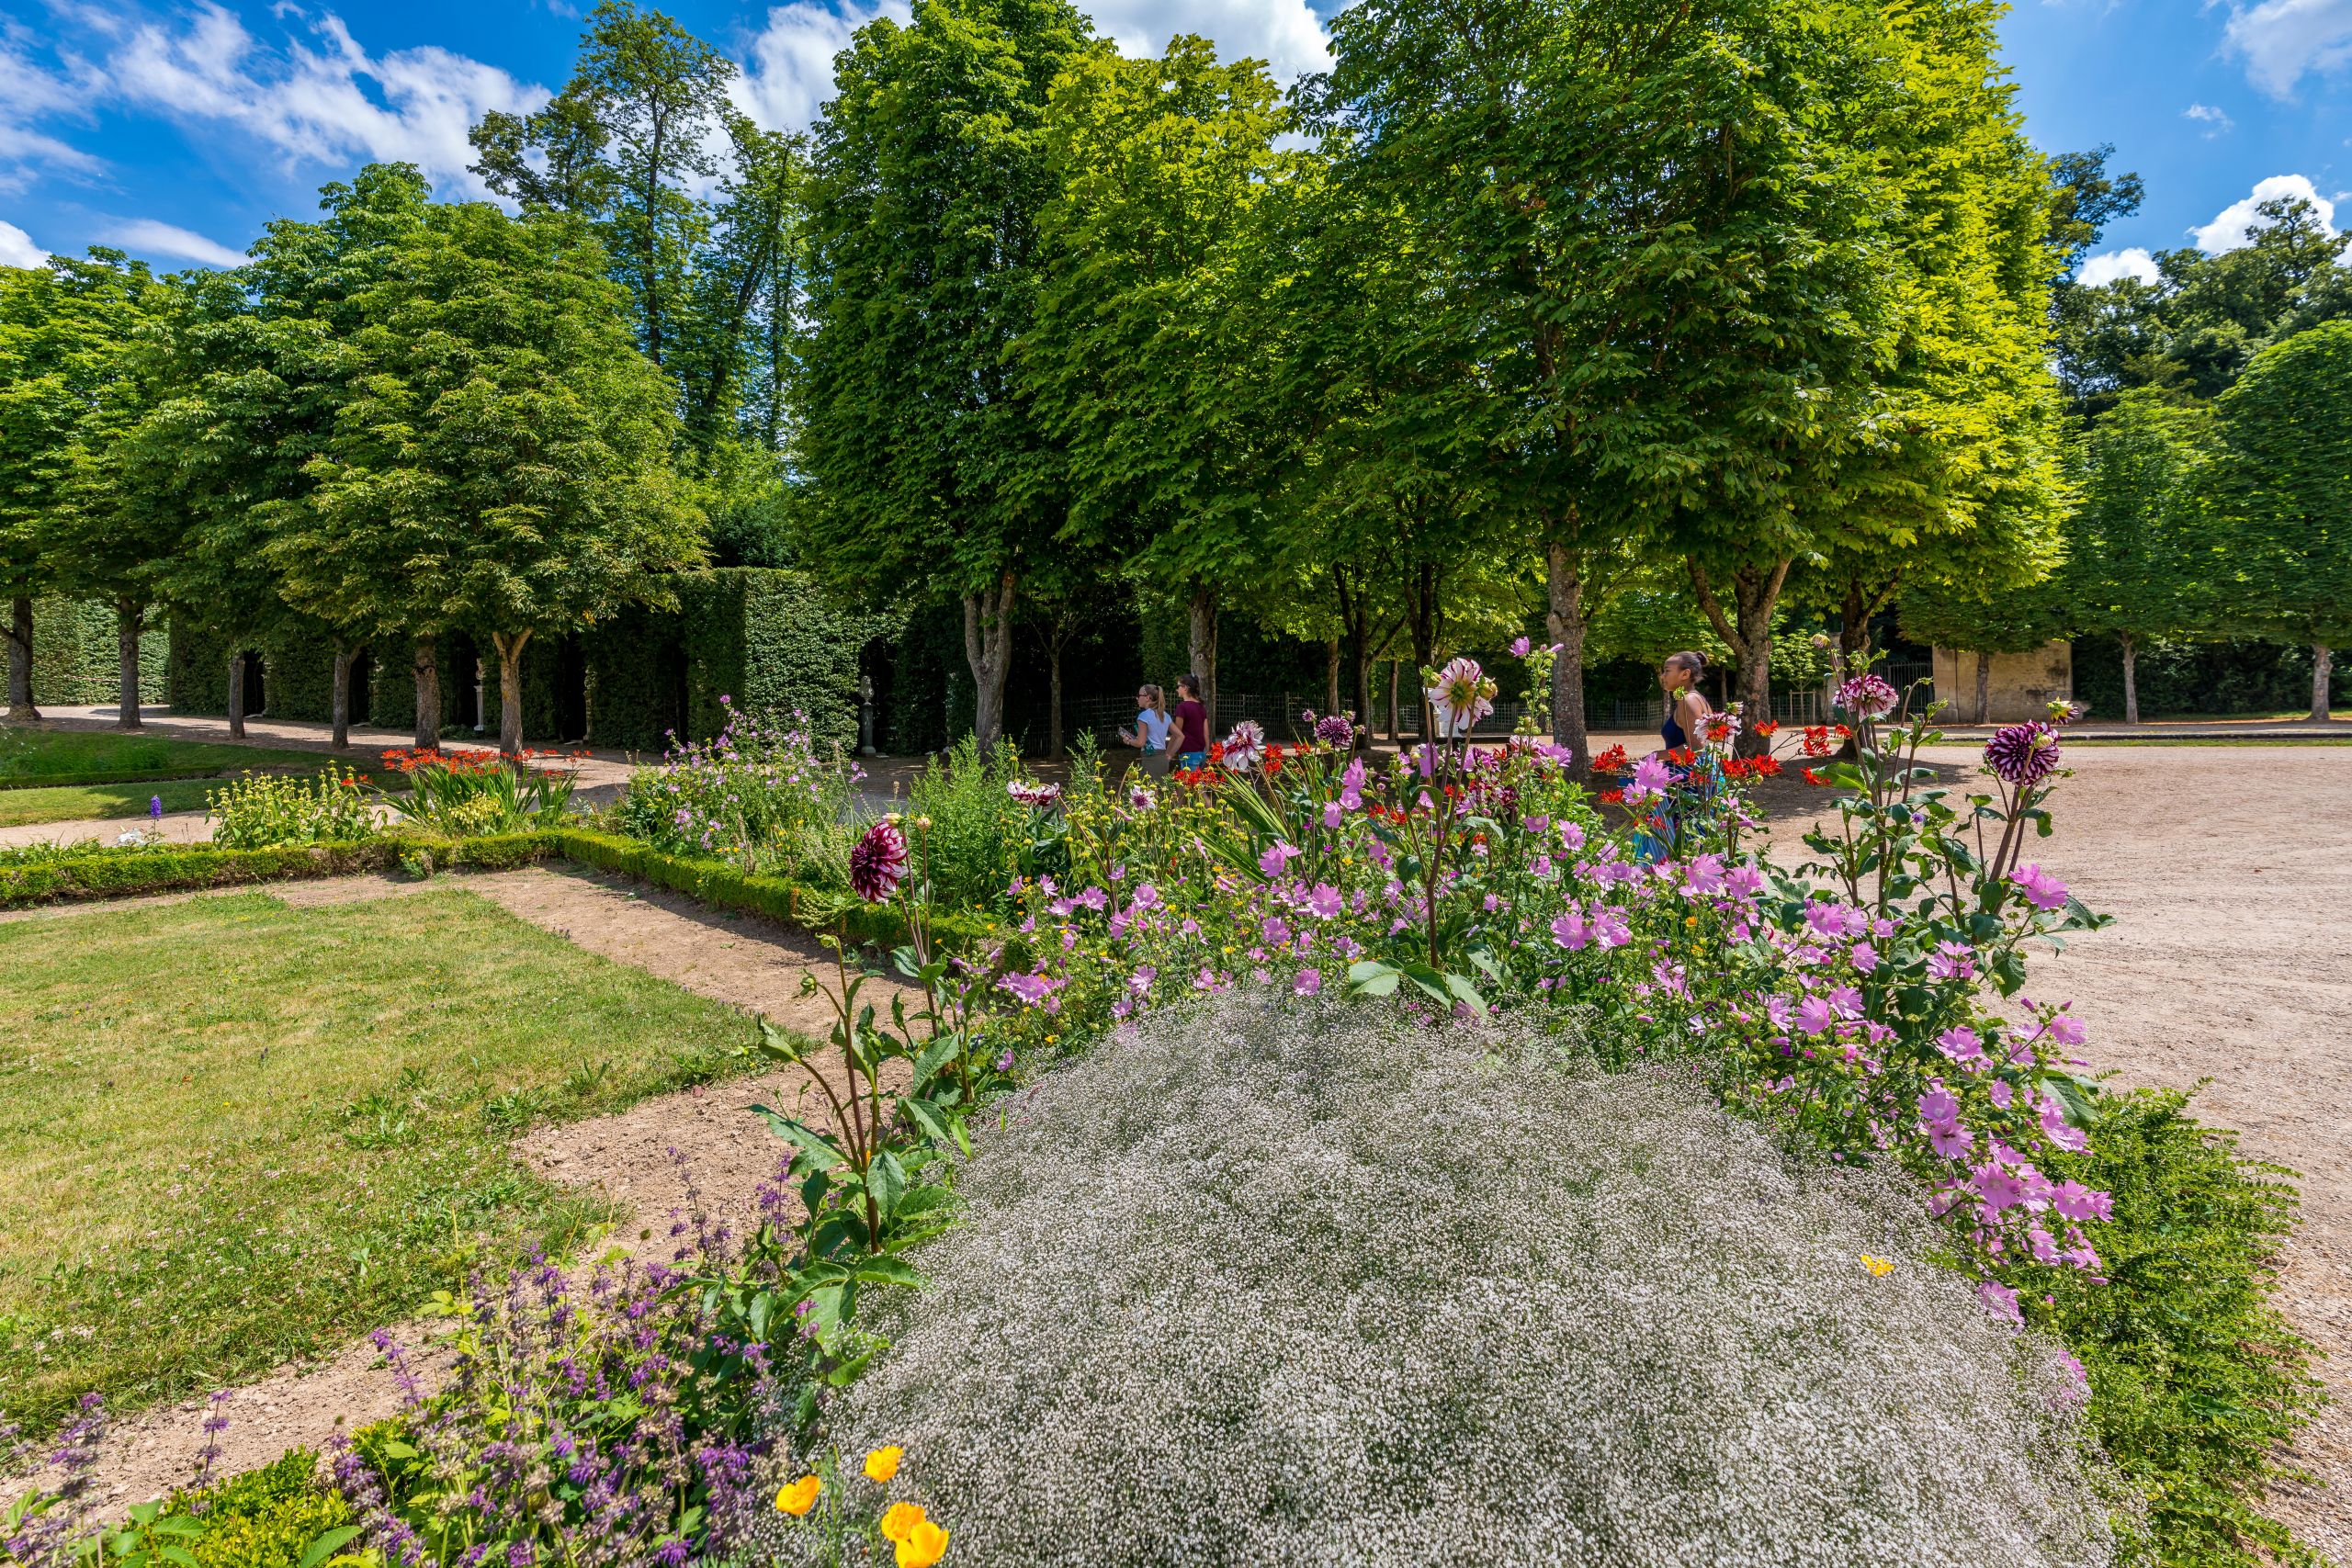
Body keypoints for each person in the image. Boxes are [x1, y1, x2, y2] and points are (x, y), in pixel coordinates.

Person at [1120, 683, 1175, 777]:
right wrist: (1169, 753)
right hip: (1163, 759)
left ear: (1147, 697)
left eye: (1139, 695)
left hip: (1150, 759)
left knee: (1149, 790)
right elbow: (1179, 736)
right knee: (1159, 790)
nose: (1137, 698)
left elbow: (1140, 743)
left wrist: (1128, 740)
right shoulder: (1165, 715)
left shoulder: (1144, 716)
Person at [1171, 674, 1210, 772]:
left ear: (1185, 688)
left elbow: (1176, 733)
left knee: (1187, 785)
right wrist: (1207, 752)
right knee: (1197, 785)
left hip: (1188, 754)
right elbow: (1206, 734)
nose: (1177, 689)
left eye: (1178, 686)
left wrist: (1169, 752)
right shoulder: (1201, 707)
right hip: (1202, 753)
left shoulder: (1182, 707)